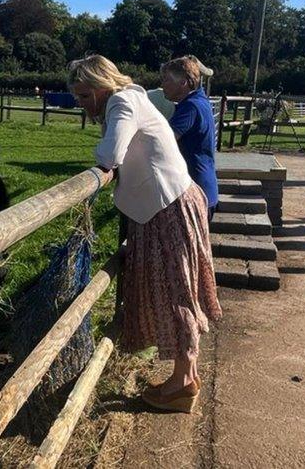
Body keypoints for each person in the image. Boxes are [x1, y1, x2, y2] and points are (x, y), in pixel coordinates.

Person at [68, 55, 221, 413]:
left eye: (85, 96)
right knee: (179, 287)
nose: (83, 105)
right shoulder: (133, 98)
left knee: (176, 291)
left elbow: (110, 154)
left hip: (166, 208)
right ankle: (187, 375)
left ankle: (182, 384)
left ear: (102, 87)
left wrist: (102, 160)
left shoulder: (121, 101)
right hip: (168, 203)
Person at [160, 55, 219, 220]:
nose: (162, 85)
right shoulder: (200, 101)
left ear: (183, 82)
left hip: (194, 191)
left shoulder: (190, 107)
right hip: (205, 187)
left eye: (166, 80)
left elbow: (162, 142)